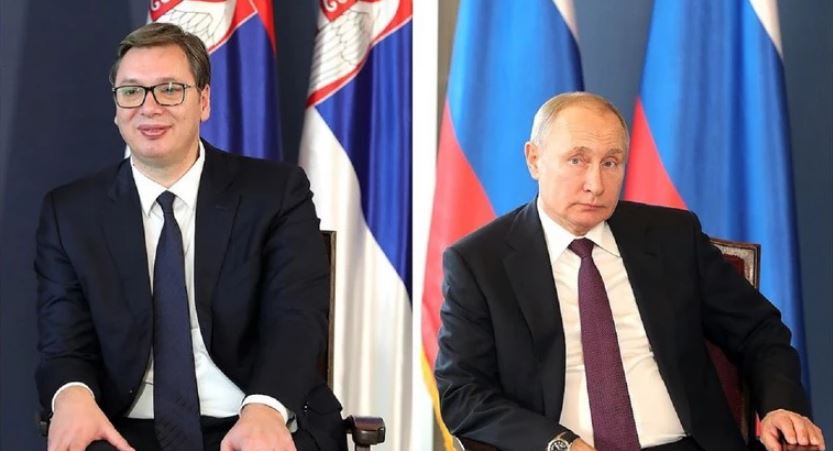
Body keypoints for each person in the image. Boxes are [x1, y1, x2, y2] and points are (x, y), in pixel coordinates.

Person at [434, 92, 825, 451]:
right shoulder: (480, 263)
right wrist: (558, 444)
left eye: (610, 163)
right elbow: (463, 393)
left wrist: (782, 406)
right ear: (534, 159)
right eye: (577, 160)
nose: (595, 184)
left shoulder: (672, 237)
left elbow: (759, 330)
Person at [35, 23, 344, 451]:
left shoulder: (275, 193)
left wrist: (266, 408)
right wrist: (73, 397)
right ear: (116, 107)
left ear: (204, 101)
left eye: (169, 90)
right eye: (132, 91)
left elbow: (297, 318)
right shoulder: (70, 213)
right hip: (123, 428)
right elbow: (63, 339)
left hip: (254, 414)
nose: (149, 107)